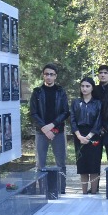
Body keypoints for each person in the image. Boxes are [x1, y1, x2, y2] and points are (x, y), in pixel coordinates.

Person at [29, 64, 70, 193]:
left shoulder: (61, 92)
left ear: (55, 76)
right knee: (40, 163)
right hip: (41, 132)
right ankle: (43, 190)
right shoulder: (37, 92)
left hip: (58, 131)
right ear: (43, 75)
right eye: (46, 74)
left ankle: (61, 190)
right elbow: (33, 113)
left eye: (51, 74)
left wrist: (52, 125)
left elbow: (65, 112)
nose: (49, 76)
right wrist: (44, 128)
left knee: (61, 162)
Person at [70, 77, 103, 194]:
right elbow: (72, 120)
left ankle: (94, 192)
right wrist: (79, 136)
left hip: (93, 135)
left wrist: (89, 136)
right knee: (82, 165)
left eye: (87, 86)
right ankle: (84, 192)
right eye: (82, 86)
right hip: (79, 135)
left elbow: (99, 120)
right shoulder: (75, 102)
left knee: (94, 165)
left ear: (92, 88)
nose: (84, 88)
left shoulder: (98, 103)